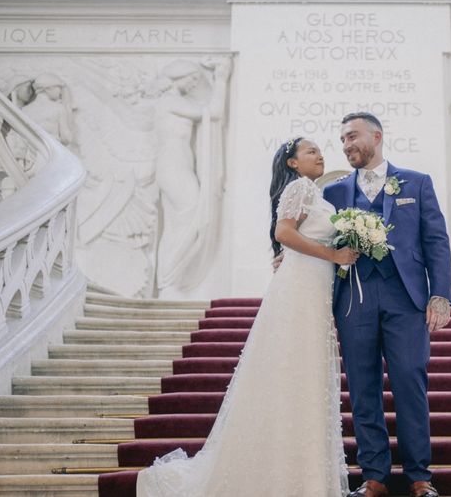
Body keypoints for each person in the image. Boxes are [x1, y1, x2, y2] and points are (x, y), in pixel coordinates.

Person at [136, 137, 359, 496]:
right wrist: (332, 256)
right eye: (310, 151)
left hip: (311, 290)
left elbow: (293, 238)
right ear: (292, 163)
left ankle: (300, 475)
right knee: (297, 376)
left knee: (303, 380)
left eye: (319, 150)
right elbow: (283, 231)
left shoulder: (315, 193)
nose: (319, 155)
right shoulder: (301, 187)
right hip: (299, 292)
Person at [323, 112, 451, 497]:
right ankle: (375, 475)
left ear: (376, 136)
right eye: (342, 140)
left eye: (352, 136)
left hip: (405, 298)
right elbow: (314, 240)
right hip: (353, 301)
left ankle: (419, 477)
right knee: (362, 388)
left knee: (410, 382)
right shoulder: (333, 193)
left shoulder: (416, 182)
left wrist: (440, 294)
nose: (346, 145)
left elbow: (436, 241)